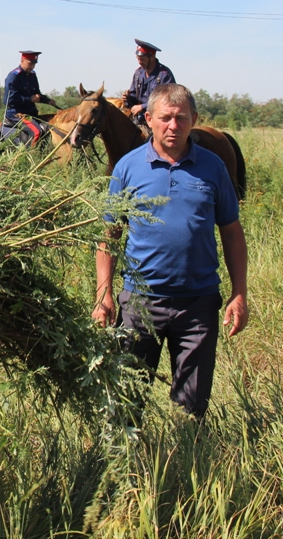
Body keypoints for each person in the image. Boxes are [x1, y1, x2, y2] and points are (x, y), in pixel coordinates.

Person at [94, 83, 248, 419]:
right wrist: (103, 294)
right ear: (148, 119)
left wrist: (240, 292)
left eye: (181, 118)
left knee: (191, 408)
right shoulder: (127, 168)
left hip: (198, 305)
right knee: (126, 404)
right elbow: (109, 235)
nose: (173, 126)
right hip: (139, 304)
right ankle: (127, 468)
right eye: (165, 118)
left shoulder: (213, 167)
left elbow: (232, 231)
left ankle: (187, 462)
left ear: (194, 119)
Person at [2, 50, 56, 144]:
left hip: (31, 114)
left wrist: (47, 100)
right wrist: (30, 99)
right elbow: (9, 100)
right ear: (22, 60)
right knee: (36, 132)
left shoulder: (32, 75)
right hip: (16, 115)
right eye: (30, 63)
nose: (32, 67)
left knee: (51, 128)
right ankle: (33, 155)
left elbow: (36, 94)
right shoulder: (13, 76)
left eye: (34, 64)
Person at [124, 39, 176, 127]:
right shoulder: (138, 73)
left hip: (159, 119)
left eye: (142, 59)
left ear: (152, 56)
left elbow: (168, 99)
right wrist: (127, 98)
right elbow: (133, 98)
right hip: (139, 119)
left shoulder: (164, 74)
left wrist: (142, 107)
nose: (140, 62)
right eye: (138, 59)